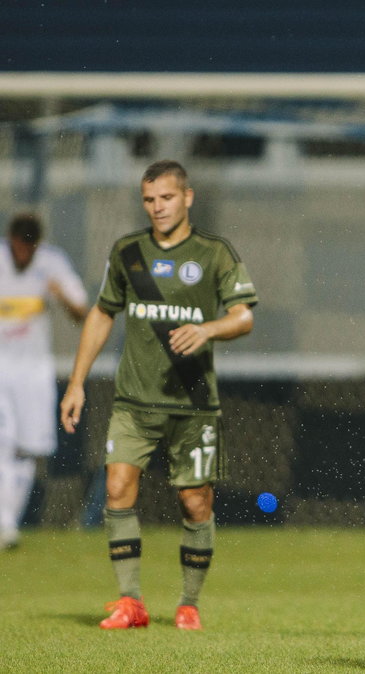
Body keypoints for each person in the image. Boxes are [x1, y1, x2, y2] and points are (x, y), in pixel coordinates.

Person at [59, 159, 258, 630]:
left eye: (166, 198)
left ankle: (189, 602)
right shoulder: (128, 252)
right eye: (149, 200)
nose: (157, 207)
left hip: (192, 405)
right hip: (133, 401)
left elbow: (244, 316)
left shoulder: (214, 253)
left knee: (195, 502)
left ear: (187, 198)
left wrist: (207, 330)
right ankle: (131, 601)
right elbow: (102, 314)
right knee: (117, 487)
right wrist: (76, 382)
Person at [0, 213, 88, 549]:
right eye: (19, 246)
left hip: (33, 372)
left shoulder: (52, 262)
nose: (23, 254)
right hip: (1, 369)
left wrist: (60, 295)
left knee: (27, 449)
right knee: (3, 441)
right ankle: (5, 522)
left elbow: (82, 312)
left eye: (29, 247)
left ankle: (8, 523)